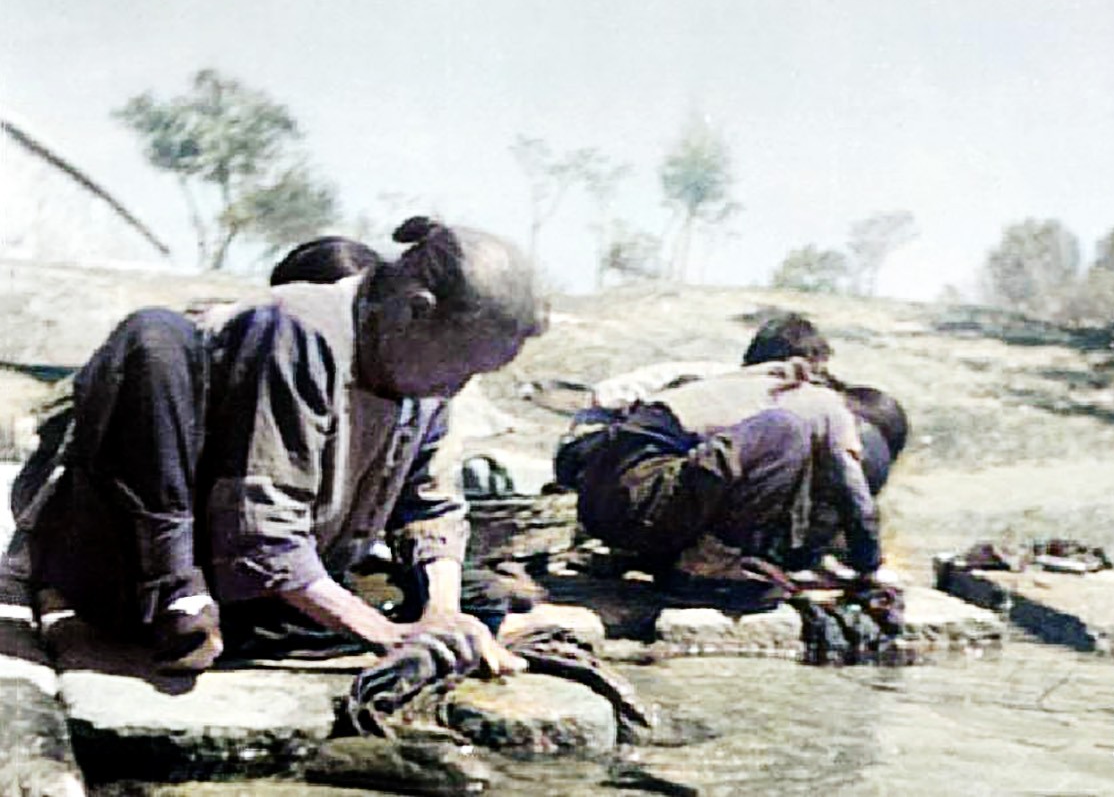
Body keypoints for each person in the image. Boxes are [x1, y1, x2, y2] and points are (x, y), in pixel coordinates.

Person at [17, 218, 542, 674]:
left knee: (477, 602)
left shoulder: (421, 375)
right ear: (414, 311)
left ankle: (296, 620)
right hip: (164, 561)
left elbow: (429, 505)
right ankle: (159, 608)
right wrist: (386, 635)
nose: (459, 387)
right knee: (156, 336)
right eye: (463, 366)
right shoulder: (300, 328)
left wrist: (441, 614)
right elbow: (262, 530)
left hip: (286, 571)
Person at [554, 362, 905, 584]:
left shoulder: (770, 382)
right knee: (783, 432)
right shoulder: (827, 407)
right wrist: (870, 566)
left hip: (607, 499)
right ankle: (707, 565)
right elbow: (854, 493)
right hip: (637, 493)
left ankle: (667, 557)